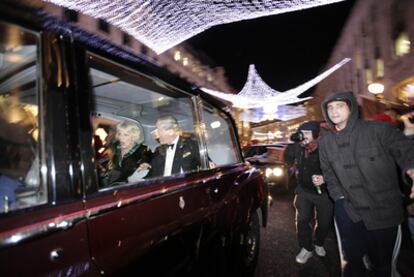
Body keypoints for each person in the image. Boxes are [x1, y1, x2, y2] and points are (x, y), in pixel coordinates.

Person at [319, 91, 414, 277]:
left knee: (383, 266)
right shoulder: (326, 143)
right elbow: (329, 174)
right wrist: (338, 198)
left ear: (351, 107)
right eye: (329, 107)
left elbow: (405, 148)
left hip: (383, 212)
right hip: (349, 213)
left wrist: (412, 168)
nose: (333, 110)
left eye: (339, 105)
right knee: (354, 262)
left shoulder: (377, 130)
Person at [284, 121, 333, 264]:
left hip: (324, 193)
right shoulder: (299, 146)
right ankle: (306, 248)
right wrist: (291, 144)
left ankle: (319, 242)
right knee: (302, 220)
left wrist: (325, 178)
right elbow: (287, 160)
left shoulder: (326, 146)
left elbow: (337, 167)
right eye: (301, 132)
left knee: (324, 223)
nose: (303, 135)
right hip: (304, 190)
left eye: (307, 133)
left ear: (316, 134)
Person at [102, 120, 152, 186]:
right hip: (107, 188)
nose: (121, 138)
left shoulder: (144, 153)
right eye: (119, 134)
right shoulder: (113, 149)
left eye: (125, 135)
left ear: (134, 137)